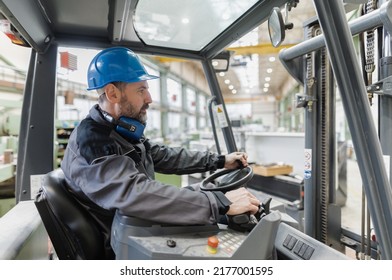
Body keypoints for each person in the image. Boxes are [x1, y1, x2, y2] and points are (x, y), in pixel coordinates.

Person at [61, 47, 260, 259]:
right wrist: (220, 203)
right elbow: (133, 193)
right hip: (120, 241)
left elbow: (161, 155)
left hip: (135, 223)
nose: (149, 98)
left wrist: (219, 161)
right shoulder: (92, 141)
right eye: (141, 90)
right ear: (113, 93)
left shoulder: (119, 130)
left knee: (206, 190)